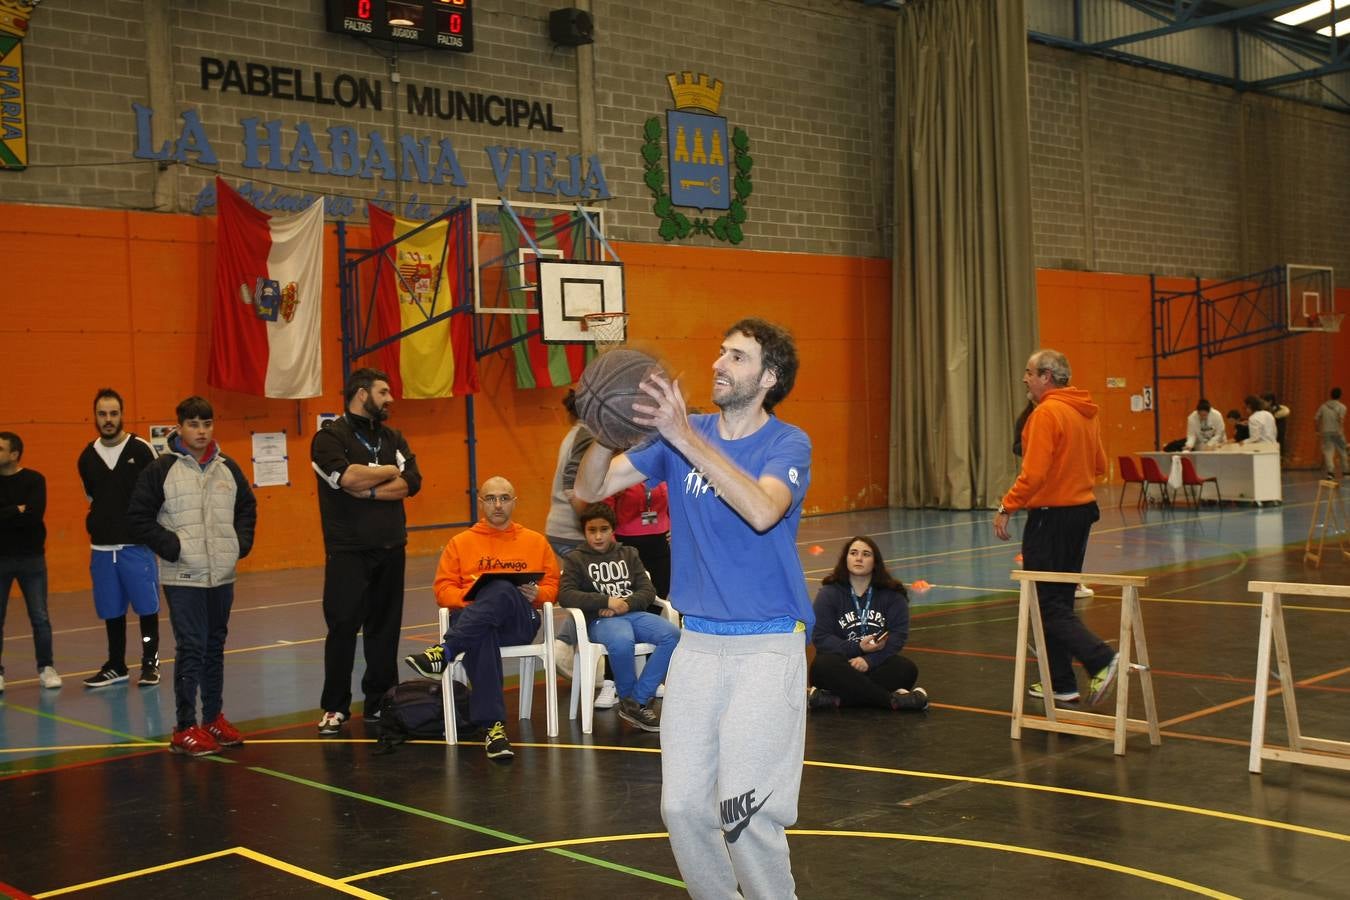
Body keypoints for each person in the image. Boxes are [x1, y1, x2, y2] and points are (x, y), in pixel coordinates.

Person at [575, 317, 812, 899]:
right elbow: (589, 490)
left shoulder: (787, 443)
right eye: (720, 351)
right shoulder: (687, 434)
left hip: (767, 645)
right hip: (698, 645)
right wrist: (608, 428)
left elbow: (761, 510)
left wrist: (684, 437)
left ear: (768, 377)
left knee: (744, 812)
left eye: (737, 357)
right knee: (682, 808)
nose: (718, 364)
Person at [127, 397, 256, 756]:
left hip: (221, 576)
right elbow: (138, 516)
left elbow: (247, 507)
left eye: (207, 424)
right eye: (194, 425)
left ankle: (213, 717)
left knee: (215, 646)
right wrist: (171, 546)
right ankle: (184, 726)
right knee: (192, 648)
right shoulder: (161, 469)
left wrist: (238, 545)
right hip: (183, 576)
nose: (201, 431)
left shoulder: (228, 467)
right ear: (180, 427)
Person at [994, 349, 1118, 707]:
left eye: (1029, 373)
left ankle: (1101, 659)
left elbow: (1033, 474)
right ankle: (1061, 683)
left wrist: (1007, 506)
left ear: (1046, 376)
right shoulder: (1085, 412)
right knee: (1058, 600)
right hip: (1080, 514)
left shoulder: (1047, 413)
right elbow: (1099, 464)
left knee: (1046, 604)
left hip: (1051, 517)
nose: (1025, 379)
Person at [404, 475, 560, 759]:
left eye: (504, 498)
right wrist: (479, 599)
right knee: (483, 626)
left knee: (499, 589)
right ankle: (494, 729)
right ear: (480, 502)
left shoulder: (535, 541)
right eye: (491, 498)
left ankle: (445, 650)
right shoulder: (460, 543)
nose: (497, 505)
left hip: (518, 622)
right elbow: (443, 591)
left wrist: (535, 594)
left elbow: (552, 590)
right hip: (474, 624)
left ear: (514, 502)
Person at [311, 368, 422, 736]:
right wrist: (388, 471)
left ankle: (379, 700)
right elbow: (345, 479)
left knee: (385, 629)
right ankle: (335, 707)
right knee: (342, 627)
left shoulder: (393, 436)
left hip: (392, 546)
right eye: (384, 391)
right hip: (348, 551)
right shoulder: (328, 438)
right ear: (361, 394)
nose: (391, 398)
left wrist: (372, 487)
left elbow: (411, 483)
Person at [558, 503, 679, 731]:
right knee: (622, 639)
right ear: (584, 532)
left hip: (632, 613)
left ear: (612, 529)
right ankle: (628, 697)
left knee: (672, 634)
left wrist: (625, 604)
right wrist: (605, 602)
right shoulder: (576, 559)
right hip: (600, 621)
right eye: (591, 530)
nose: (598, 536)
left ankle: (637, 700)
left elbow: (647, 589)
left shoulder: (629, 553)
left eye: (603, 529)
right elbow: (565, 595)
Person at [77, 388, 162, 688]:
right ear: (95, 417)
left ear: (122, 414)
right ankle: (116, 664)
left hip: (135, 547)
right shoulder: (87, 457)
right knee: (111, 610)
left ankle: (150, 662)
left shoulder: (141, 449)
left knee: (146, 608)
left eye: (113, 413)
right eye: (103, 414)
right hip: (101, 549)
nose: (108, 419)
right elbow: (92, 497)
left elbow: (159, 494)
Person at [808, 536, 924, 711]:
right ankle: (891, 701)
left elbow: (897, 636)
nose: (859, 558)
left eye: (866, 554)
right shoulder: (829, 593)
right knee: (823, 666)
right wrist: (858, 648)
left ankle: (834, 699)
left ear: (875, 562)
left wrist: (869, 660)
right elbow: (820, 637)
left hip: (874, 665)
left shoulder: (892, 595)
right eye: (853, 553)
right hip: (839, 665)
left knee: (906, 669)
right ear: (845, 559)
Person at [0, 431, 61, 692]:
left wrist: (10, 514)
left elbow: (34, 516)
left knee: (39, 616)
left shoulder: (35, 480)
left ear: (14, 454)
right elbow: (23, 513)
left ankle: (46, 667)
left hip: (32, 559)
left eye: (0, 449)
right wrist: (17, 509)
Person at [543, 389, 596, 683]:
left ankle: (570, 647)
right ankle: (563, 645)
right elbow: (571, 484)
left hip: (564, 526)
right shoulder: (587, 434)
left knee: (594, 590)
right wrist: (589, 518)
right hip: (571, 529)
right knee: (594, 590)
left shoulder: (576, 433)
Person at [606, 480, 672, 599]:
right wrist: (611, 542)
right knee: (634, 593)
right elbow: (606, 510)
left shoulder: (663, 472)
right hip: (627, 544)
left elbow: (675, 504)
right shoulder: (621, 473)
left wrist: (676, 528)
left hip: (660, 542)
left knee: (661, 591)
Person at [1315, 387, 1348, 480]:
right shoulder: (1342, 407)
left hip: (1326, 432)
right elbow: (1341, 420)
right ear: (1340, 396)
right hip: (1338, 432)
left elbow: (1316, 418)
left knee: (1328, 452)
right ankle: (1346, 472)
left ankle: (1330, 473)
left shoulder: (1323, 406)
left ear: (1331, 395)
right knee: (1342, 451)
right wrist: (1341, 431)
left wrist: (1317, 430)